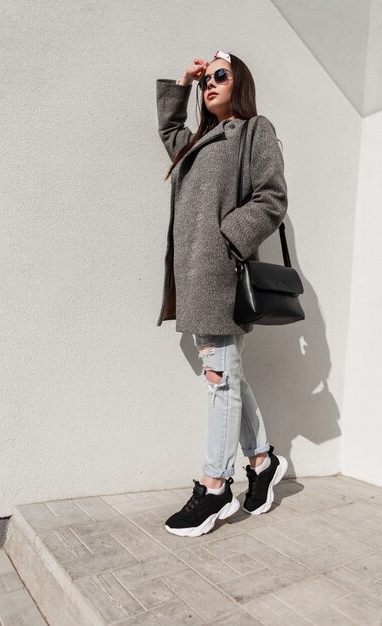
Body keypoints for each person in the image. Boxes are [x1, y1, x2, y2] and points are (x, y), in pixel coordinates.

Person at [156, 50, 289, 537]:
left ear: (241, 83)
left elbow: (272, 197)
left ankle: (215, 487)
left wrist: (226, 239)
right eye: (206, 78)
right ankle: (261, 461)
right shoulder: (197, 139)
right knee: (227, 375)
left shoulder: (254, 131)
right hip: (193, 277)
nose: (210, 83)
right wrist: (182, 79)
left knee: (220, 381)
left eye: (220, 75)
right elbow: (169, 131)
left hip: (219, 273)